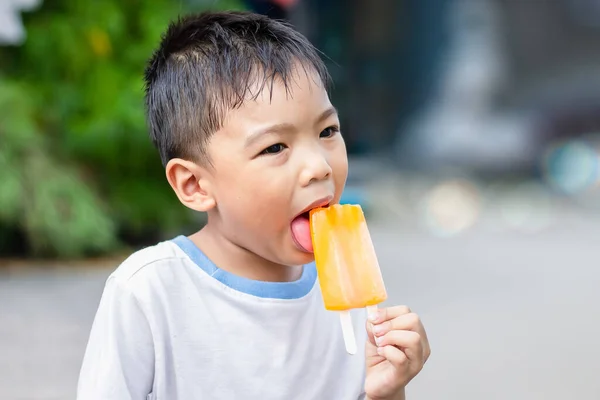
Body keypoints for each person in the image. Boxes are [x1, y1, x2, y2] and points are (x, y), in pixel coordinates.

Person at [77, 11, 430, 400]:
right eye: (275, 147)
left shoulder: (351, 308)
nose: (318, 166)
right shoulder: (149, 293)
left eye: (327, 131)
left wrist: (389, 391)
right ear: (195, 184)